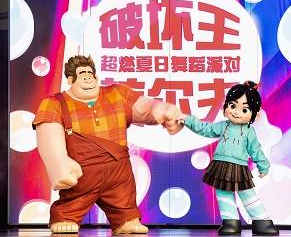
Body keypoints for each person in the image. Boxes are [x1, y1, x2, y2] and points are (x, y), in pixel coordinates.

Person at [33, 55, 183, 234]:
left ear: (96, 77)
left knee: (124, 203)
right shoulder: (55, 103)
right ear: (71, 80)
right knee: (72, 203)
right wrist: (58, 161)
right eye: (82, 75)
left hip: (119, 174)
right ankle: (66, 216)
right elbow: (48, 131)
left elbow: (144, 107)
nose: (87, 79)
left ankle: (126, 219)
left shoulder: (116, 94)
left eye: (89, 74)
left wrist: (162, 109)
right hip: (82, 175)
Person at [178, 81, 279, 236]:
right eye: (232, 106)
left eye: (244, 109)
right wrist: (188, 120)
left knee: (247, 193)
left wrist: (263, 166)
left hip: (239, 167)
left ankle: (262, 222)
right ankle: (230, 222)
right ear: (225, 107)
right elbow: (206, 129)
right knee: (223, 193)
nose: (236, 112)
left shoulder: (249, 131)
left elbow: (255, 150)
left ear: (256, 114)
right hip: (220, 166)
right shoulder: (223, 126)